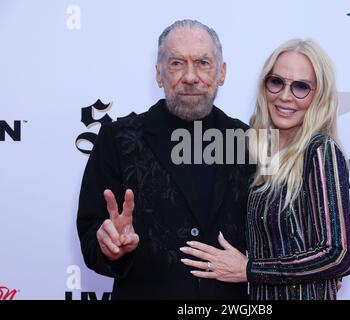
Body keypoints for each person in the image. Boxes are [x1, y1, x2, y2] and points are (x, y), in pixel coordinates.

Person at [76, 19, 253, 300]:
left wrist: (270, 270)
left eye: (203, 63)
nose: (190, 76)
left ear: (222, 73)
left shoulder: (248, 141)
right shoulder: (118, 139)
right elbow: (91, 237)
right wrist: (112, 247)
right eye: (176, 63)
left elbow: (275, 234)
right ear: (159, 74)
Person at [180, 38, 350, 300]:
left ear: (319, 95)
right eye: (277, 82)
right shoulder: (261, 149)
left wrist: (250, 269)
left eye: (301, 87)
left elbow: (339, 254)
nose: (285, 96)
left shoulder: (320, 150)